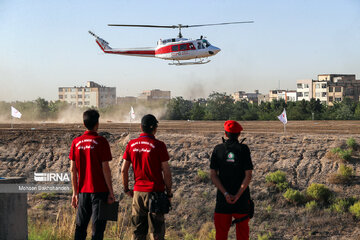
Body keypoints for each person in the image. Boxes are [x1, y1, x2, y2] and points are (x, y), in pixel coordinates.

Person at [121, 114, 172, 240]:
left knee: (138, 233)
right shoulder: (159, 145)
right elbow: (166, 171)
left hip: (138, 193)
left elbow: (123, 170)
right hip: (156, 193)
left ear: (141, 127)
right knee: (157, 233)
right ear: (155, 128)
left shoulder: (131, 144)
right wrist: (169, 193)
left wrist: (127, 189)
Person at [69, 109, 115, 240]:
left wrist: (75, 193)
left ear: (84, 124)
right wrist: (111, 192)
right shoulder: (102, 141)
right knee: (98, 231)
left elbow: (73, 169)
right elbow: (106, 169)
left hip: (83, 192)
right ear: (97, 124)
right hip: (100, 192)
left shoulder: (76, 142)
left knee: (80, 229)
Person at [210, 120, 253, 240]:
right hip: (242, 200)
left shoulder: (218, 149)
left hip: (223, 200)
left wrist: (225, 193)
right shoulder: (244, 149)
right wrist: (238, 195)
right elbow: (248, 175)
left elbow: (213, 175)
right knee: (243, 234)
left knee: (221, 234)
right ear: (239, 134)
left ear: (225, 134)